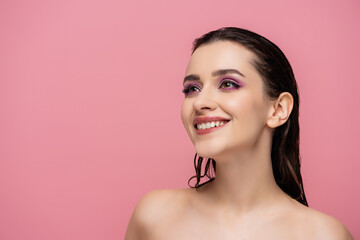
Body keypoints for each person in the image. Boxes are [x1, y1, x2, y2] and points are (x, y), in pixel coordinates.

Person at [125, 27, 353, 240]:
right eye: (192, 89)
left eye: (228, 84)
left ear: (278, 109)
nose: (200, 102)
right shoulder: (154, 218)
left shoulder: (323, 235)